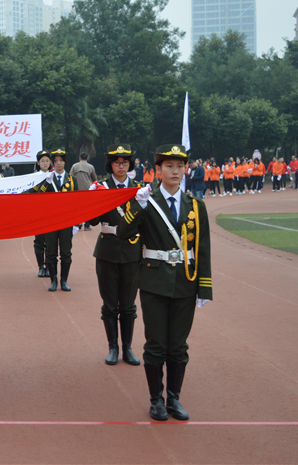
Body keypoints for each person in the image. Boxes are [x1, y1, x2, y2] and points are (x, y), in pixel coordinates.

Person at [119, 144, 213, 421]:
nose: (175, 171)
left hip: (186, 281)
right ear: (157, 171)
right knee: (156, 343)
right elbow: (123, 233)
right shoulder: (147, 201)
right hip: (154, 282)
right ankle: (155, 400)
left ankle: (174, 398)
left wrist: (204, 286)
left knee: (178, 345)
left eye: (180, 166)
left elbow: (203, 249)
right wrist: (138, 205)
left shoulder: (196, 206)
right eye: (169, 166)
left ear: (186, 170)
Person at [88, 145, 142, 366]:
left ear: (130, 164)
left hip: (132, 252)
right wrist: (91, 202)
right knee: (109, 304)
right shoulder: (100, 187)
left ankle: (128, 348)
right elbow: (91, 222)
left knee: (128, 305)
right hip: (108, 251)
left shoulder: (140, 189)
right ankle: (113, 347)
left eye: (125, 162)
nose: (121, 166)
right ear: (110, 165)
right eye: (117, 162)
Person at [35, 149, 79, 291]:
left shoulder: (72, 180)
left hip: (66, 221)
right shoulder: (47, 178)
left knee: (66, 252)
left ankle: (64, 281)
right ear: (53, 163)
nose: (58, 163)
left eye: (61, 160)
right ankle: (53, 281)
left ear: (65, 162)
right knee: (51, 251)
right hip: (51, 221)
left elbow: (77, 202)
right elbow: (38, 196)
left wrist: (77, 223)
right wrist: (46, 183)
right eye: (56, 161)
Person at [26, 150, 53, 277]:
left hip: (50, 212)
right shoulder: (34, 177)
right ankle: (41, 266)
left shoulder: (54, 176)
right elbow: (32, 194)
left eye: (47, 161)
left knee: (50, 241)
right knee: (39, 241)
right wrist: (44, 184)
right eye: (42, 161)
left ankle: (48, 266)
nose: (45, 163)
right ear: (38, 163)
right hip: (38, 213)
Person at [71, 152, 97, 230]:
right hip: (87, 190)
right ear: (87, 158)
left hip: (77, 189)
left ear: (80, 158)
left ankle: (77, 224)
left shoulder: (74, 166)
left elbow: (70, 177)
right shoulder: (90, 167)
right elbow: (94, 179)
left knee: (77, 208)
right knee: (87, 208)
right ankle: (87, 225)